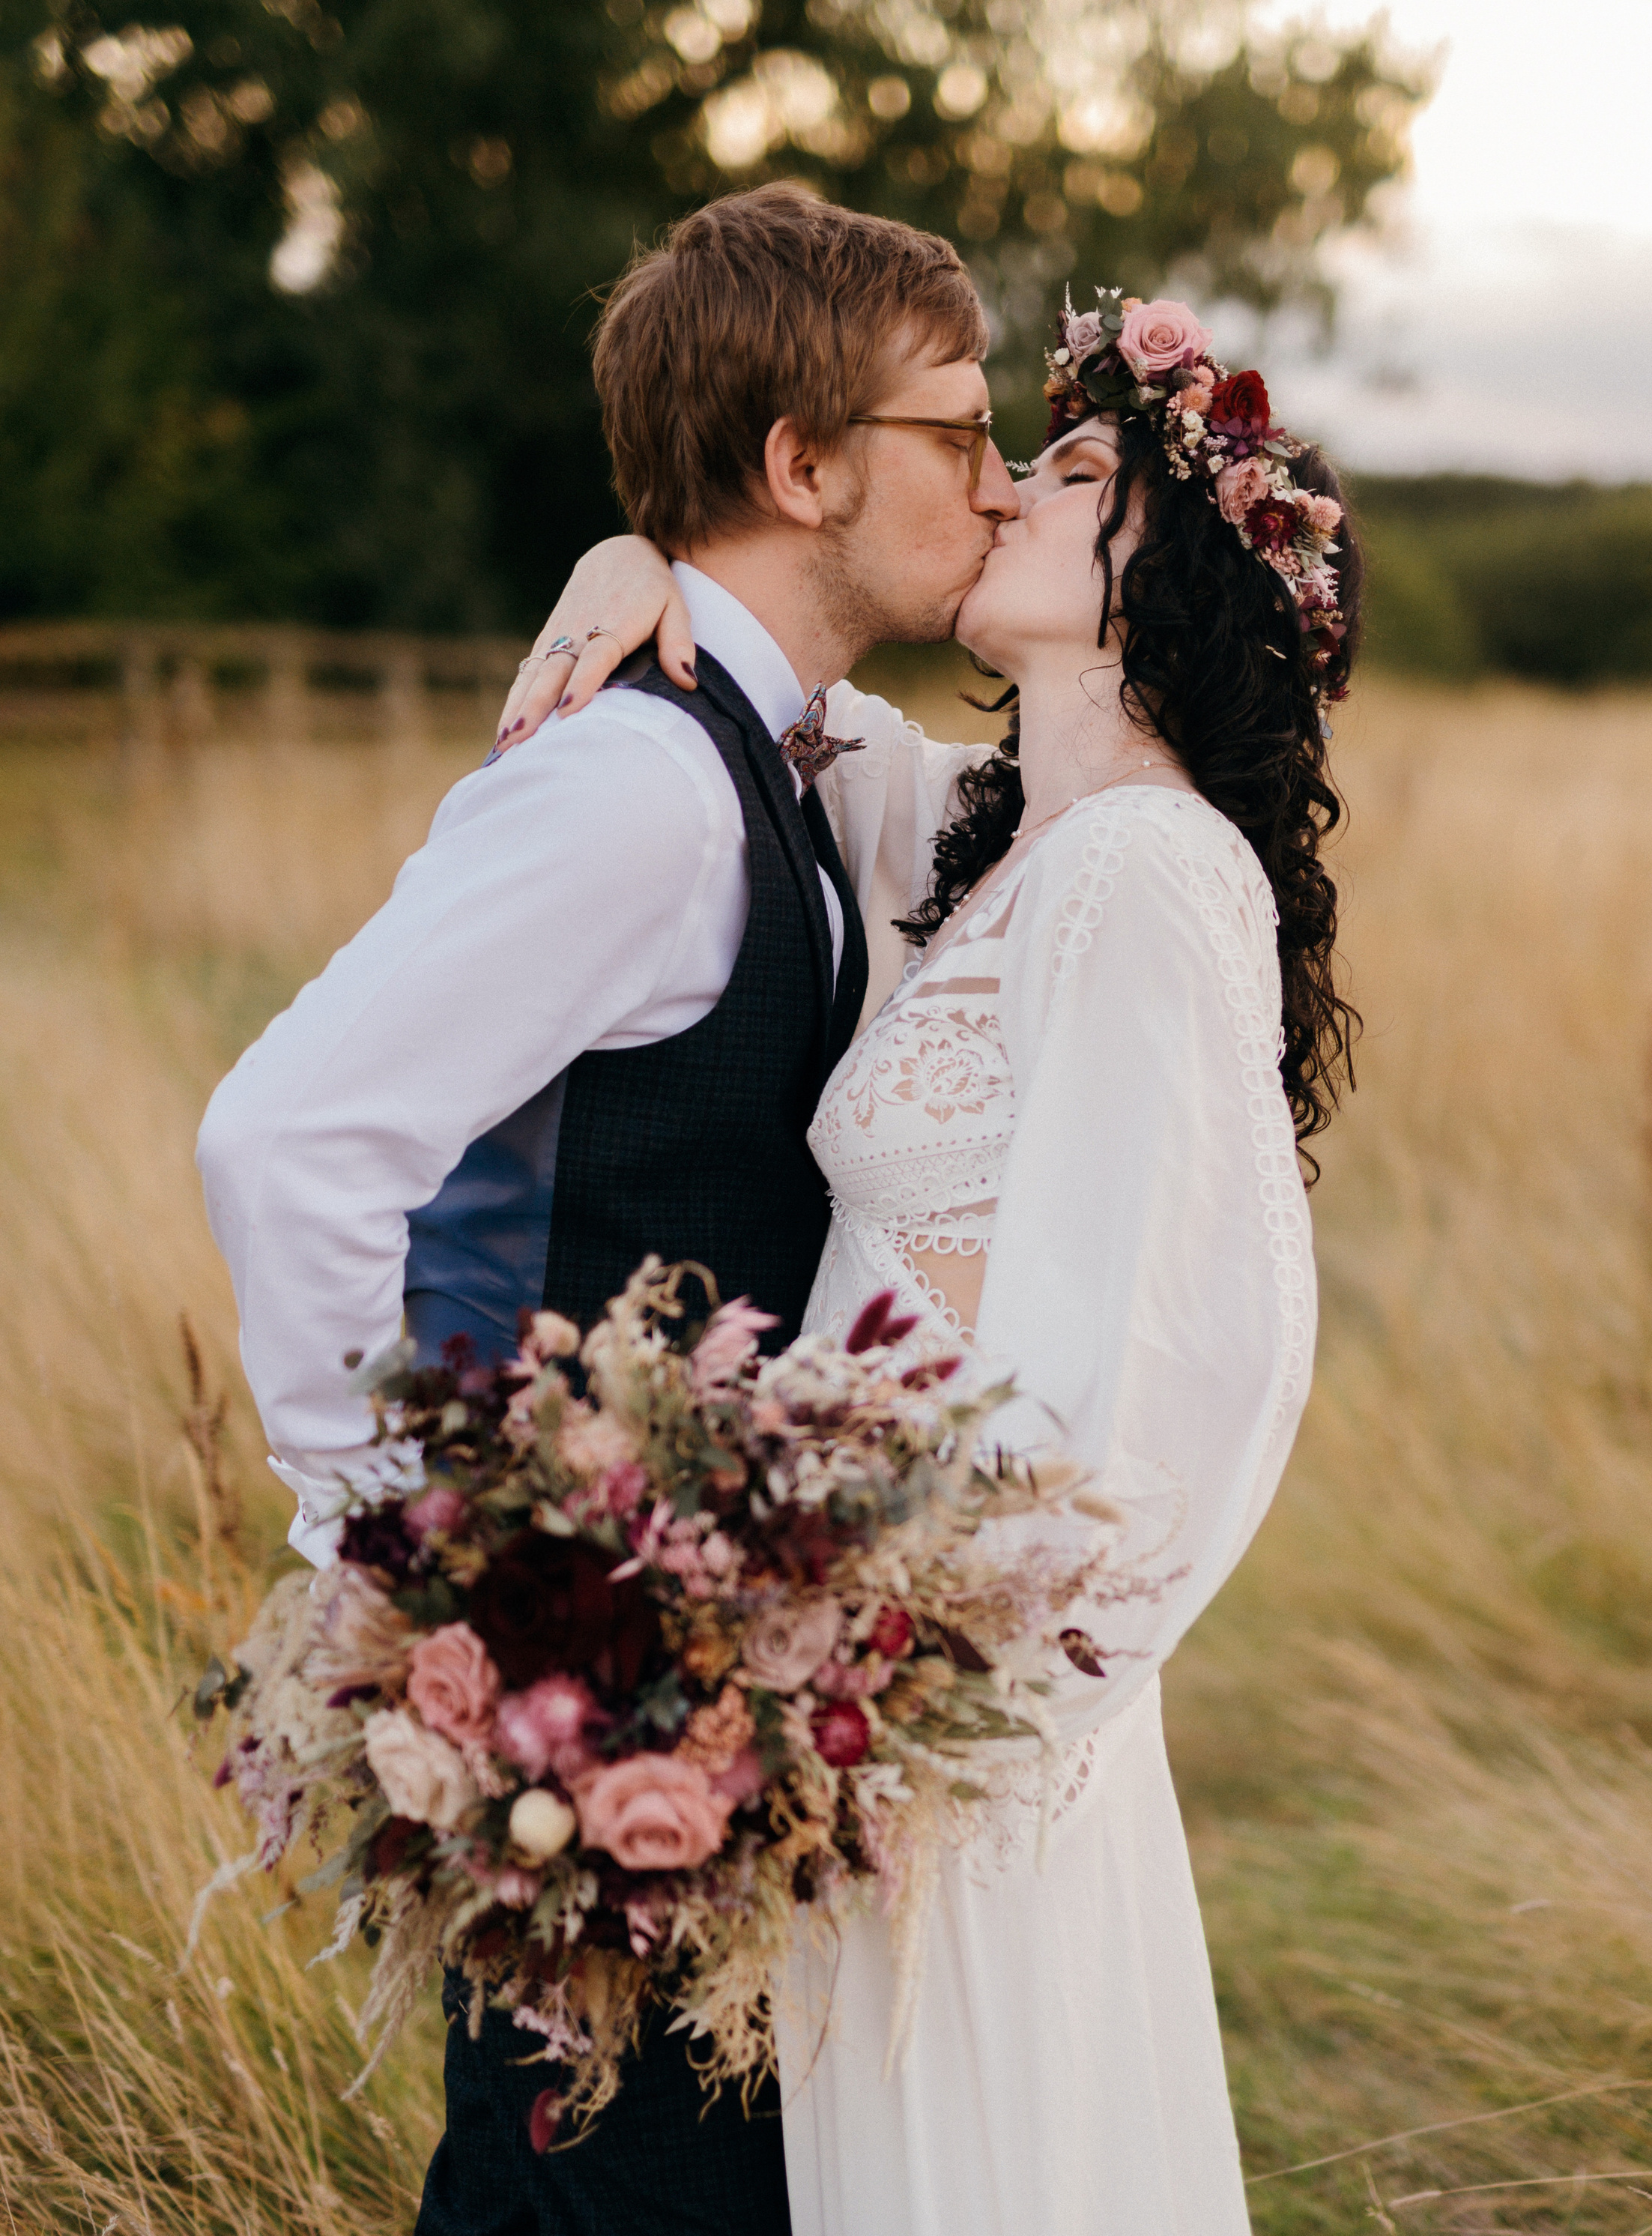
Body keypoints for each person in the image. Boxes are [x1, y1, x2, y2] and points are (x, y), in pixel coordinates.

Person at [195, 182, 1023, 2236]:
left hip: (692, 1703)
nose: (998, 488)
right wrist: (410, 1563)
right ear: (804, 462)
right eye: (959, 433)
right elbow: (287, 1139)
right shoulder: (634, 789)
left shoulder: (785, 756)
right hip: (582, 1700)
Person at [498, 294, 1362, 2235]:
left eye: (1060, 476)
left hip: (947, 1725)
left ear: (1163, 578)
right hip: (844, 1673)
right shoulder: (982, 848)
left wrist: (913, 1703)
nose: (991, 489)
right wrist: (636, 549)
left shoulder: (1154, 871)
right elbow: (767, 668)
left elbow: (1194, 1364)